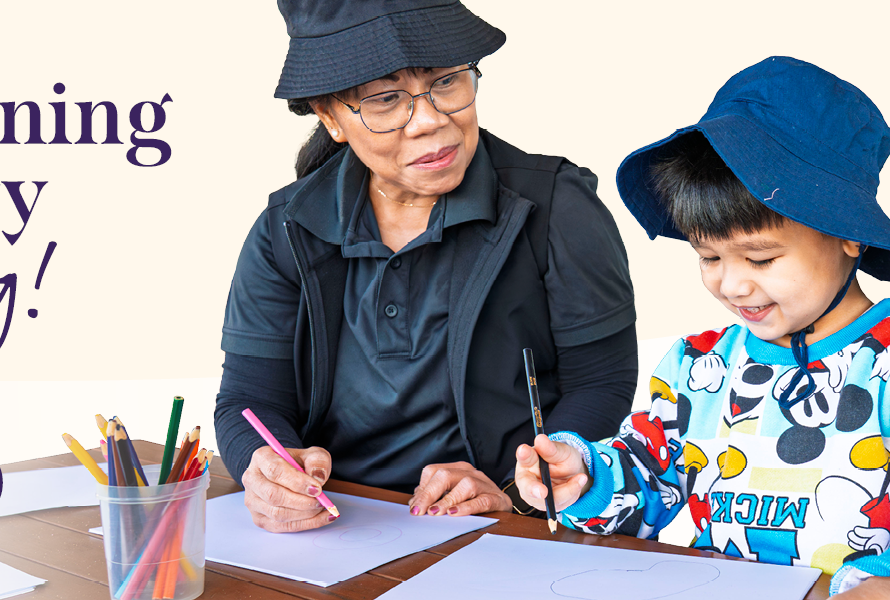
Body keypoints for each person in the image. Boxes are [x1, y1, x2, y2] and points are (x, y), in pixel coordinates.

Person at [513, 57, 890, 599]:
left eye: (760, 259)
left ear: (849, 234)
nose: (733, 286)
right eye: (709, 257)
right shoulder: (696, 368)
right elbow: (646, 487)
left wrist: (888, 591)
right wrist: (584, 476)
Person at [214, 0, 638, 534]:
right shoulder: (286, 228)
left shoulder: (558, 206)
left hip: (500, 528)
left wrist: (519, 494)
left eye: (447, 82)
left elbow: (601, 382)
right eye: (386, 100)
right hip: (339, 526)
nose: (432, 120)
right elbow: (249, 399)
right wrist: (267, 468)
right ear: (331, 118)